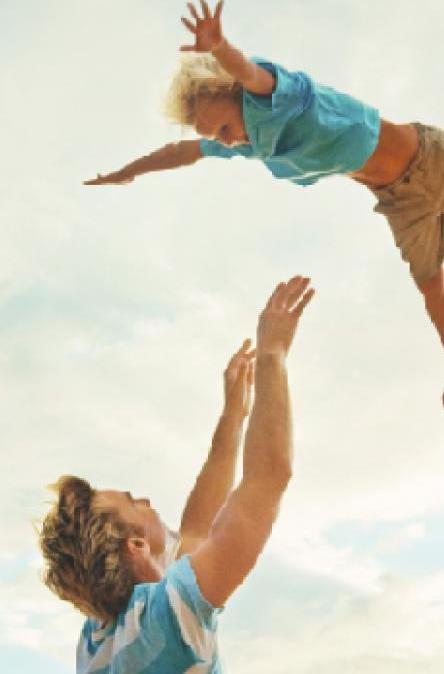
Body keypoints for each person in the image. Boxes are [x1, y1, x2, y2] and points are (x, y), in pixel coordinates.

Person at [86, 0, 444, 415]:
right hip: (397, 198)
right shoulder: (251, 140)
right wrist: (125, 174)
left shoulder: (273, 92)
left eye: (224, 127)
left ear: (231, 92)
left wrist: (219, 47)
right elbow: (185, 151)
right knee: (430, 284)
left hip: (432, 160)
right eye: (220, 137)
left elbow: (249, 72)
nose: (227, 140)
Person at [38, 276, 315, 674]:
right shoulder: (171, 620)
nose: (147, 501)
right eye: (134, 503)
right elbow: (268, 477)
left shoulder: (96, 639)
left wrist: (233, 417)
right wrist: (273, 353)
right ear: (135, 546)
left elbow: (197, 530)